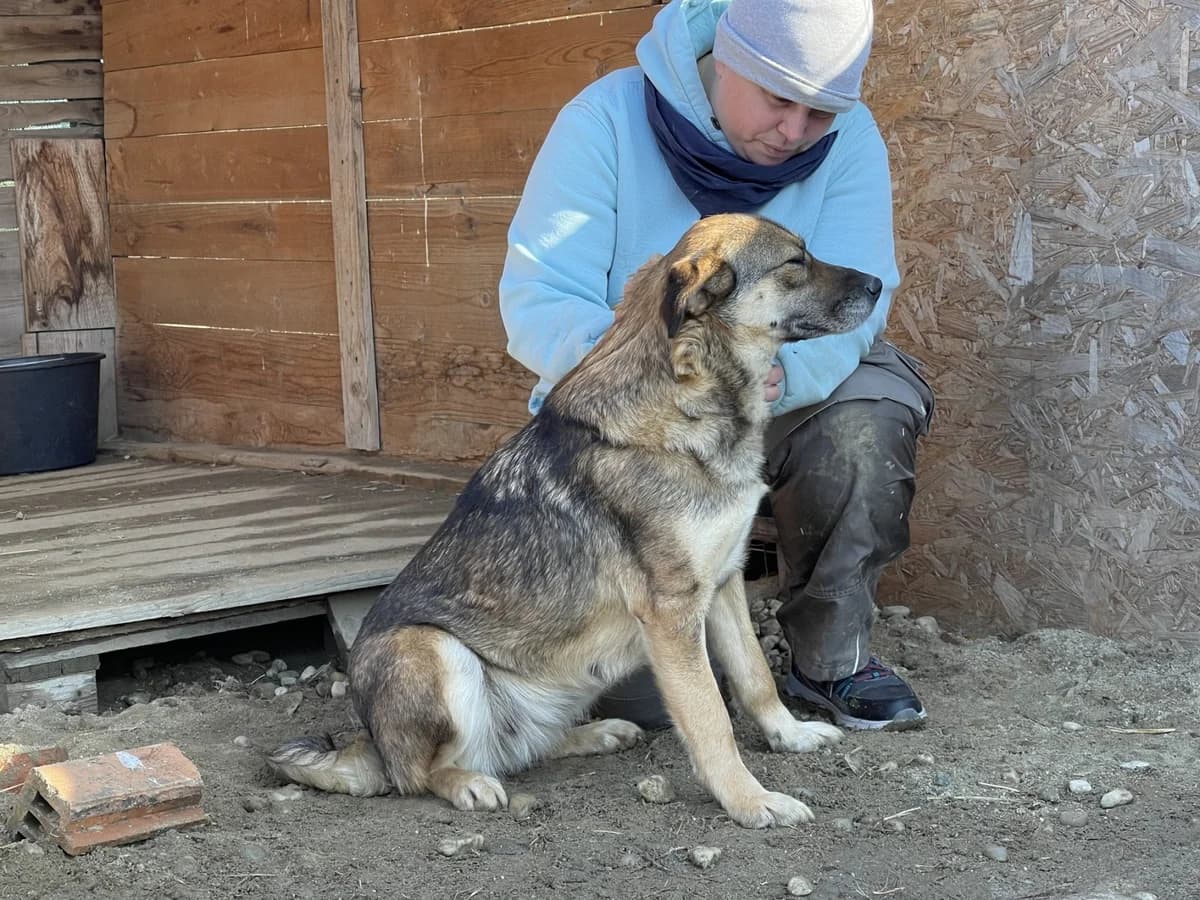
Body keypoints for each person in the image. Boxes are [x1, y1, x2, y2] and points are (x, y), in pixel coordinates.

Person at [498, 0, 934, 731]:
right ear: (724, 59)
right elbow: (539, 301)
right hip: (637, 413)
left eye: (821, 113)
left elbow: (861, 293)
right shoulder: (604, 120)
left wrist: (780, 379)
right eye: (778, 98)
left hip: (777, 386)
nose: (795, 133)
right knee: (636, 710)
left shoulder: (850, 138)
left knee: (867, 423)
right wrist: (672, 379)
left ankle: (832, 658)